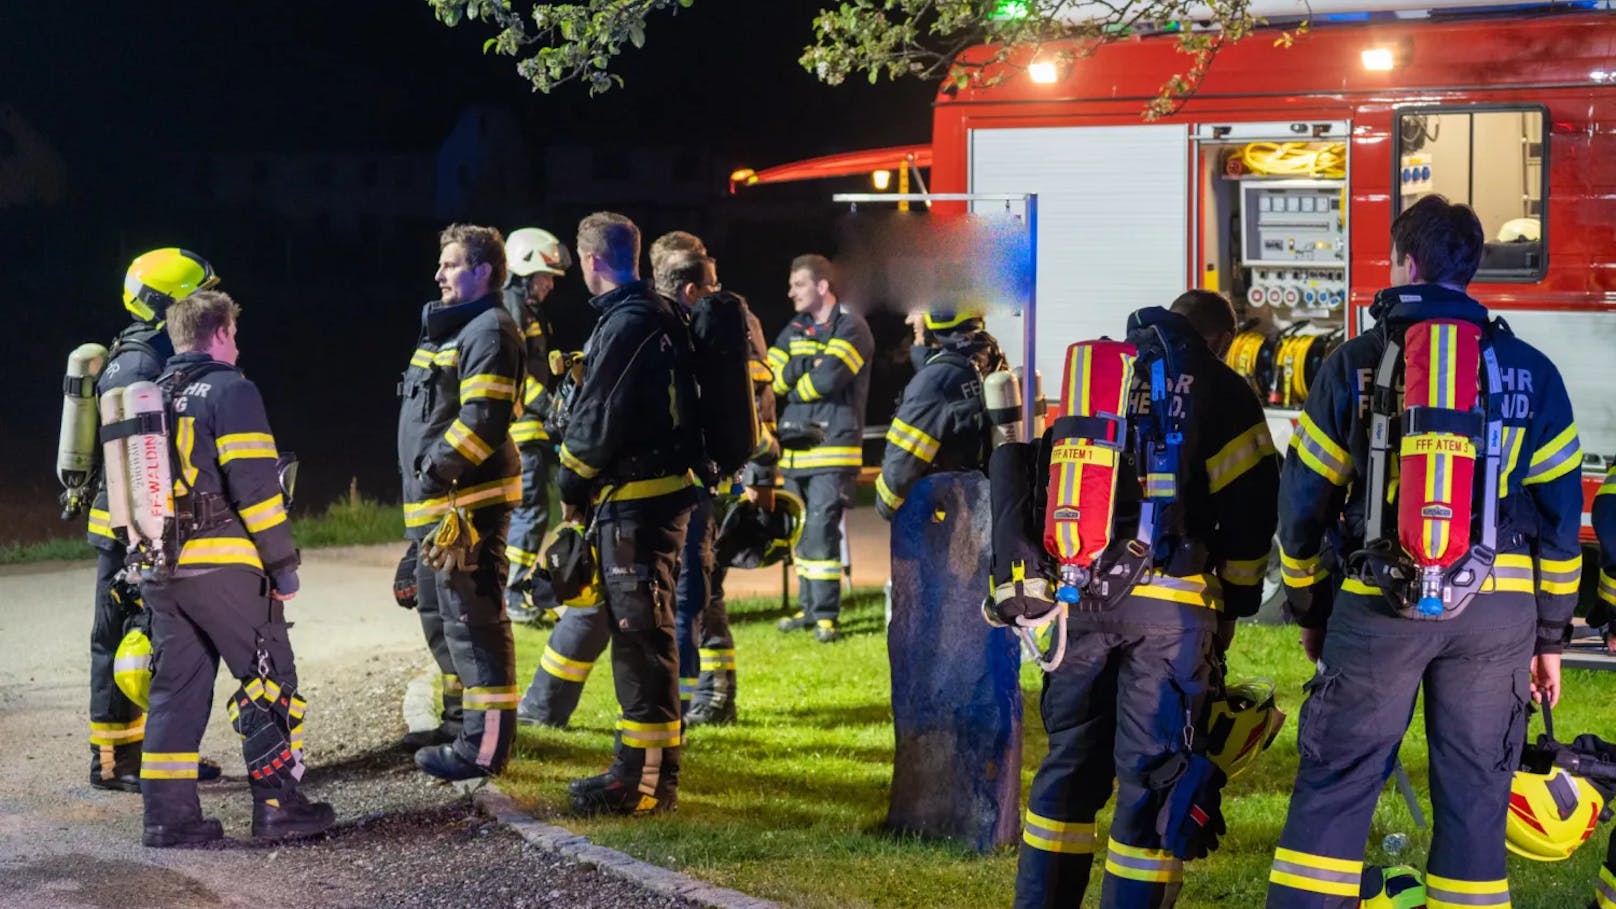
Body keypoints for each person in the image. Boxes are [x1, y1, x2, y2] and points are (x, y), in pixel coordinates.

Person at [1267, 195, 1581, 908]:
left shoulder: (1354, 360)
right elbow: (1563, 522)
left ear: (1405, 262)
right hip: (1498, 611)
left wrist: (1311, 605)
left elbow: (1304, 504)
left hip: (1378, 599)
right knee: (1475, 795)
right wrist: (1552, 636)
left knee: (1337, 783)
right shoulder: (1532, 371)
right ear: (1471, 269)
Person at [1013, 294, 1279, 908]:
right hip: (1171, 612)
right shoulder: (1222, 388)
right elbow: (1250, 512)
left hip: (1081, 596)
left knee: (1069, 768)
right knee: (1154, 777)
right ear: (1218, 339)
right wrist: (1234, 605)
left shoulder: (1098, 380)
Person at [138, 290, 334, 846]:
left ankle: (167, 821)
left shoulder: (152, 396)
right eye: (234, 334)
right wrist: (283, 565)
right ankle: (279, 806)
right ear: (220, 333)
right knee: (271, 680)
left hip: (161, 569)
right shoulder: (231, 389)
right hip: (223, 565)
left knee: (175, 694)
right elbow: (256, 488)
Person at [555, 211, 701, 815]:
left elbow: (597, 419)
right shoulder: (662, 315)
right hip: (655, 500)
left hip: (635, 508)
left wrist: (569, 484)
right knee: (648, 635)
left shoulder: (629, 323)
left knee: (641, 640)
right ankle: (648, 773)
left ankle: (639, 786)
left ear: (590, 261)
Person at [83, 248, 222, 791]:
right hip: (130, 526)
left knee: (135, 636)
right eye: (199, 294)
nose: (211, 304)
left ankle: (138, 753)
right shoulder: (143, 364)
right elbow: (141, 461)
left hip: (128, 521)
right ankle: (115, 761)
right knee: (126, 638)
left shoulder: (138, 352)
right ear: (168, 303)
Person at [397, 224, 524, 781]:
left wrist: (434, 471)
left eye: (450, 265)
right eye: (440, 264)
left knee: (474, 624)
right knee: (440, 620)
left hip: (468, 508)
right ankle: (457, 723)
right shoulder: (447, 332)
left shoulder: (491, 332)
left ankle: (484, 747)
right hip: (438, 511)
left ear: (484, 273)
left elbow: (482, 422)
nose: (438, 274)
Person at [768, 254, 873, 642]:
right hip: (795, 451)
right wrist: (800, 370)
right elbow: (770, 378)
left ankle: (827, 616)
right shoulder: (794, 328)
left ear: (822, 286)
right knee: (799, 530)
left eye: (798, 284)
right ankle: (809, 609)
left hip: (833, 449)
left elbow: (827, 380)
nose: (790, 292)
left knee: (820, 530)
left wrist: (795, 379)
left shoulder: (852, 328)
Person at [502, 227, 574, 624]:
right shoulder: (512, 306)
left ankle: (513, 590)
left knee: (532, 512)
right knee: (529, 512)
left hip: (531, 430)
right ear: (526, 270)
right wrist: (551, 407)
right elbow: (515, 369)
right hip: (521, 429)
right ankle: (512, 594)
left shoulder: (527, 310)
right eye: (546, 277)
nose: (550, 285)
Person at [874, 306, 1005, 520]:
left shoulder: (934, 381)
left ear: (940, 314)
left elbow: (899, 477)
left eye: (916, 308)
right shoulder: (988, 358)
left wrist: (884, 505)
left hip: (949, 525)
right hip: (986, 510)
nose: (909, 319)